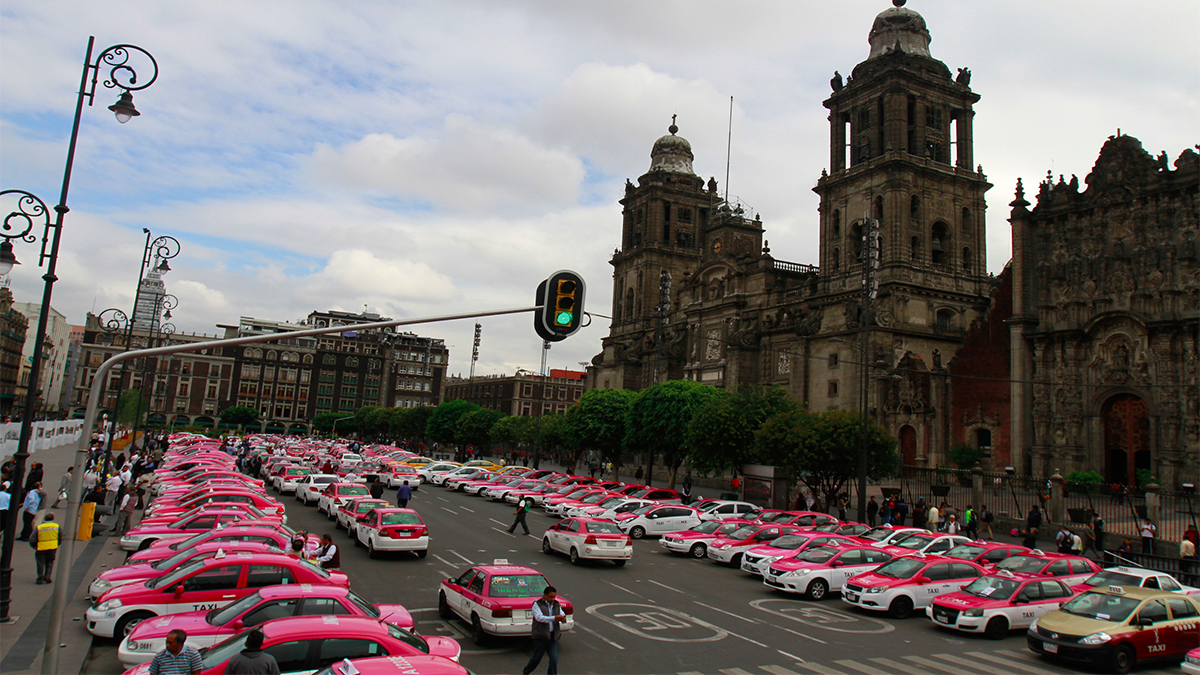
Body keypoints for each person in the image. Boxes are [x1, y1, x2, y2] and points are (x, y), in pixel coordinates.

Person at [522, 586, 566, 675]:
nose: (552, 599)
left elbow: (561, 613)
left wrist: (563, 618)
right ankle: (526, 672)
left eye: (554, 597)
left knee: (554, 659)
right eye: (550, 597)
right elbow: (539, 618)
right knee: (537, 657)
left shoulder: (556, 604)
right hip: (541, 636)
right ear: (544, 595)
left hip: (553, 636)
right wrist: (555, 618)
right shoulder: (537, 604)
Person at [33, 511, 60, 584]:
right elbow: (60, 536)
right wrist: (57, 544)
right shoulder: (57, 526)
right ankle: (47, 577)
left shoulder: (39, 527)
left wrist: (34, 545)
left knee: (40, 563)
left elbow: (32, 538)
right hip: (52, 547)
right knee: (50, 562)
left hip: (41, 547)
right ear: (53, 519)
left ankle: (40, 578)